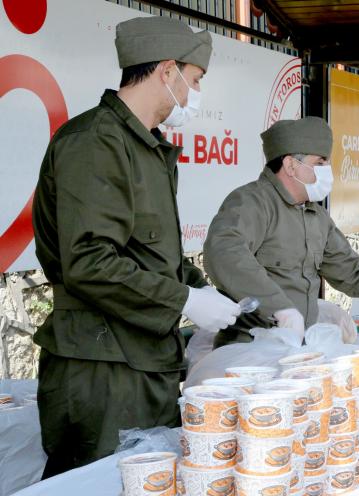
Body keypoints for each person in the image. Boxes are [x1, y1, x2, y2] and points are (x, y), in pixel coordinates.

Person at [30, 17, 242, 477]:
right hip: (101, 370)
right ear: (167, 72)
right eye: (195, 80)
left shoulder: (148, 149)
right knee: (102, 483)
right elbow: (89, 262)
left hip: (144, 361)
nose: (193, 94)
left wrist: (210, 296)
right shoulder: (95, 142)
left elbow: (152, 255)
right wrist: (186, 300)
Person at [203, 117, 359, 347]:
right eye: (320, 162)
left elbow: (355, 276)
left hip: (298, 350)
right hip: (250, 349)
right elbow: (224, 253)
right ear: (291, 165)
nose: (327, 169)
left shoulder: (316, 216)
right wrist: (280, 308)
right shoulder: (252, 202)